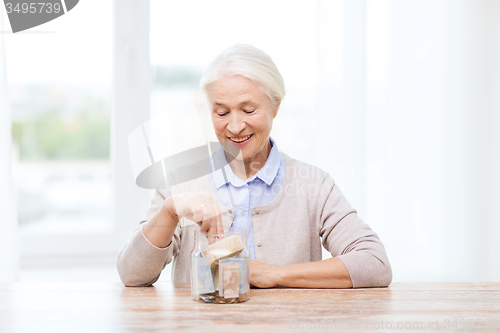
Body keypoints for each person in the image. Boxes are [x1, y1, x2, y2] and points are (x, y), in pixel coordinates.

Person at [117, 44, 392, 289]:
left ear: (275, 107)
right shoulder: (180, 182)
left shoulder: (313, 185)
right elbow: (131, 274)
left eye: (249, 110)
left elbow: (374, 264)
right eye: (222, 112)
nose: (235, 127)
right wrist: (169, 212)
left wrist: (271, 274)